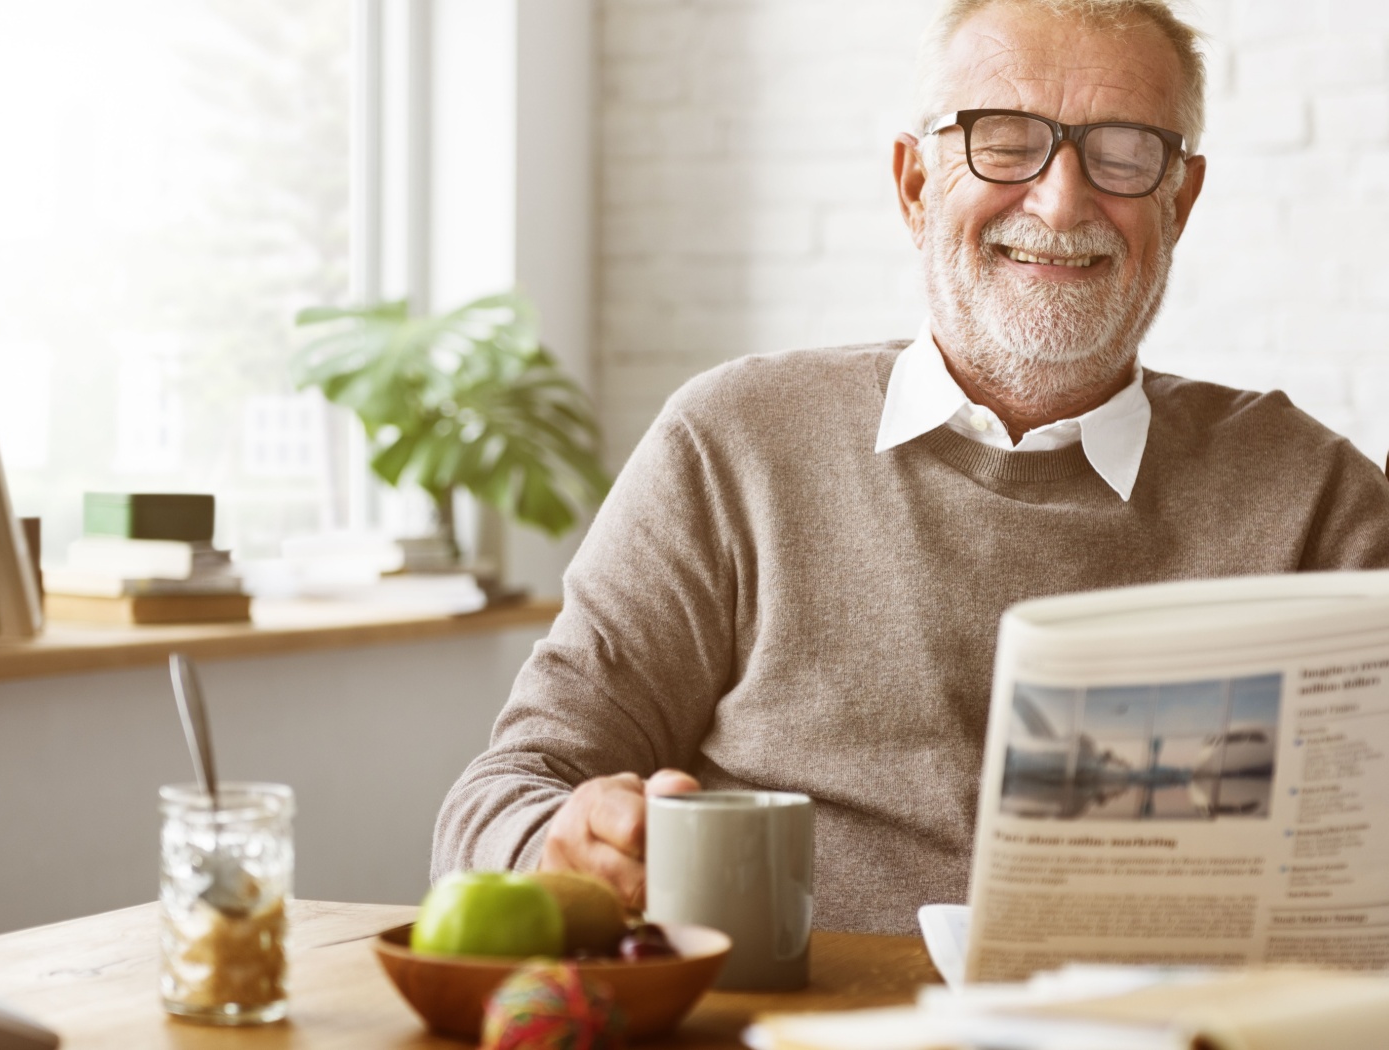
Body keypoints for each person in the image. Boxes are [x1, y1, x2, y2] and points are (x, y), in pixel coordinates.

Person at [431, 0, 1389, 935]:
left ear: (1179, 201)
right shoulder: (733, 444)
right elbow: (502, 795)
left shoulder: (1316, 499)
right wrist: (558, 842)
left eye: (1124, 152)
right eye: (1003, 141)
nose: (1061, 199)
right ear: (914, 183)